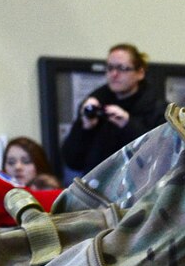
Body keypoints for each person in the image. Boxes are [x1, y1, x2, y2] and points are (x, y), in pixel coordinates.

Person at [58, 44, 161, 175]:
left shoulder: (156, 108)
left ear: (140, 73)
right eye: (110, 68)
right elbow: (72, 161)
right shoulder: (95, 103)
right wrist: (85, 127)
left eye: (122, 68)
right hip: (96, 186)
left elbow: (160, 157)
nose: (114, 74)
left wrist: (128, 124)